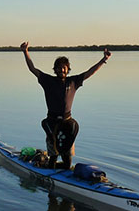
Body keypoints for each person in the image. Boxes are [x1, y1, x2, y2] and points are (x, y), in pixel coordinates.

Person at [20, 41, 111, 169]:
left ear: (68, 69)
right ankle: (48, 167)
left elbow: (90, 72)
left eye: (64, 67)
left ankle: (60, 171)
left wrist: (104, 60)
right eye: (59, 67)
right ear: (55, 69)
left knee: (67, 162)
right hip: (52, 124)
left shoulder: (73, 81)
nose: (62, 70)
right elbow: (32, 69)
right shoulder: (48, 81)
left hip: (67, 124)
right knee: (53, 157)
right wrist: (25, 52)